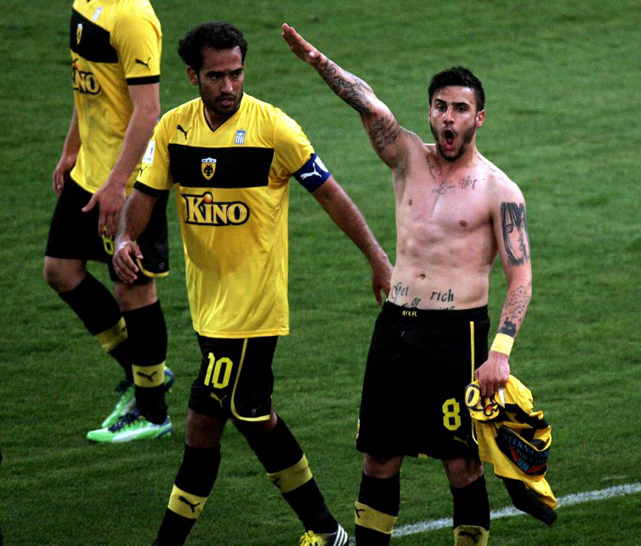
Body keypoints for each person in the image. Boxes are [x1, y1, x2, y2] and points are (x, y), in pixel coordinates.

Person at [112, 22, 392, 546]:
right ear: (193, 74)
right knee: (254, 415)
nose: (228, 87)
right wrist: (127, 235)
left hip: (253, 309)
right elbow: (145, 194)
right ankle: (326, 531)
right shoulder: (174, 129)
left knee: (201, 425)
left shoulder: (275, 130)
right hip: (208, 305)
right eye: (215, 76)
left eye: (236, 74)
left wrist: (378, 259)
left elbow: (331, 194)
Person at [283, 24, 533, 546]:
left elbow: (520, 277)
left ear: (478, 118)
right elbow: (370, 106)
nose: (448, 116)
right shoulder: (407, 159)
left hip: (457, 336)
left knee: (461, 464)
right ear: (430, 112)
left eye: (460, 108)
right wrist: (318, 61)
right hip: (395, 328)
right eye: (440, 106)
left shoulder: (499, 190)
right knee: (378, 457)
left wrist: (500, 351)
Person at [44, 0, 173, 443]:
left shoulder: (133, 18)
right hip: (89, 172)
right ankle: (144, 374)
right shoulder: (86, 4)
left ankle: (153, 412)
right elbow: (90, 89)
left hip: (131, 178)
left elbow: (147, 110)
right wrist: (71, 148)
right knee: (60, 270)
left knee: (133, 288)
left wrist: (119, 187)